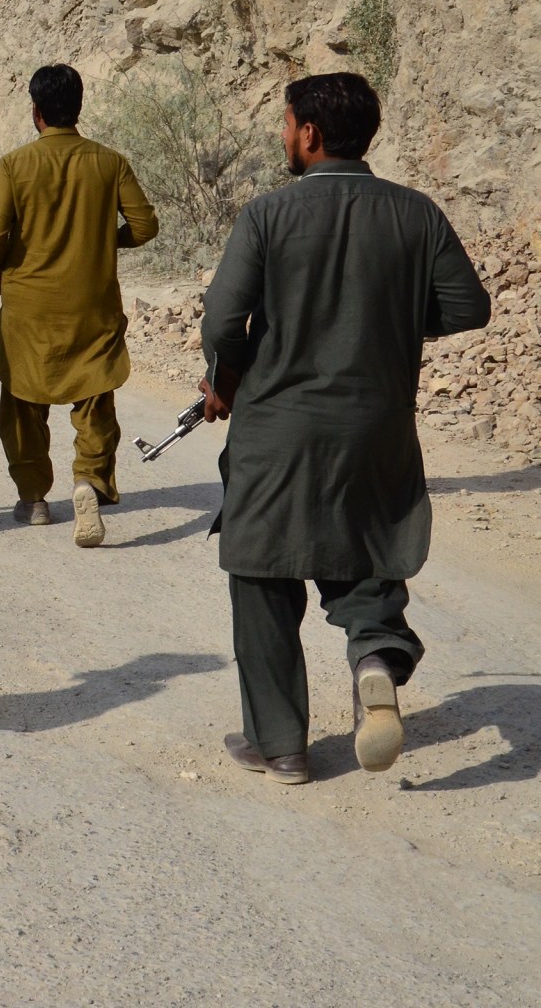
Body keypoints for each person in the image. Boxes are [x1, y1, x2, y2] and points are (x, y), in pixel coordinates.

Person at [200, 73, 489, 785]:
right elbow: (467, 307)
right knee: (362, 552)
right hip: (376, 426)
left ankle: (282, 747)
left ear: (310, 135)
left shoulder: (268, 216)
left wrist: (223, 383)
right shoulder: (416, 214)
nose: (282, 135)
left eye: (286, 124)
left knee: (262, 573)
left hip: (277, 428)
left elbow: (221, 323)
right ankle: (375, 658)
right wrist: (388, 324)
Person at [0, 63, 157, 547]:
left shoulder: (14, 165)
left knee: (22, 399)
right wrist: (99, 240)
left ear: (36, 113)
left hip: (28, 307)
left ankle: (35, 498)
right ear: (78, 108)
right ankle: (89, 482)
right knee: (95, 397)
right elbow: (144, 227)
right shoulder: (109, 162)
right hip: (92, 305)